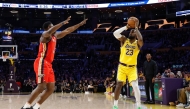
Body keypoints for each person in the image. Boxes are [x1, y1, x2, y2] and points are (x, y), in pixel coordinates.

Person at [21, 16, 88, 109]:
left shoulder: (55, 36)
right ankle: (25, 107)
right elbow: (49, 32)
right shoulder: (45, 35)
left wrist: (80, 24)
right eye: (52, 26)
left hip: (49, 64)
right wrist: (63, 23)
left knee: (51, 88)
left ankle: (36, 107)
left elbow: (68, 30)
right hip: (41, 61)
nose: (56, 28)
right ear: (49, 27)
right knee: (41, 87)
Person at [113, 17, 143, 109]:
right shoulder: (124, 40)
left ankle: (138, 106)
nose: (131, 32)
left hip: (132, 68)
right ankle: (115, 105)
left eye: (132, 32)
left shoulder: (138, 43)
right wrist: (126, 27)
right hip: (122, 67)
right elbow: (115, 33)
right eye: (130, 31)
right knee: (119, 85)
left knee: (135, 86)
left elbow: (141, 39)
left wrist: (136, 28)